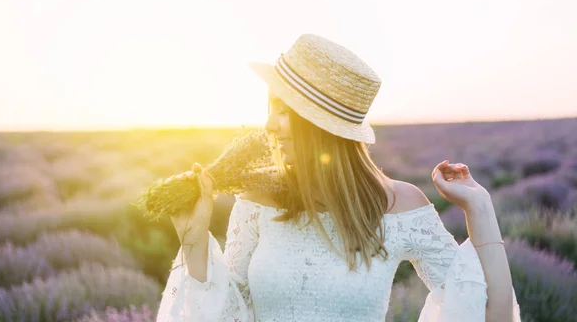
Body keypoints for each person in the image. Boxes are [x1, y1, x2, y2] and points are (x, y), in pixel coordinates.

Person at [155, 34, 521, 321]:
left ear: (319, 126)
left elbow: (490, 315)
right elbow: (230, 313)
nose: (268, 124)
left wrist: (480, 207)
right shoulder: (256, 199)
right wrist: (193, 240)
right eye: (271, 109)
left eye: (283, 112)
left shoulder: (399, 207)